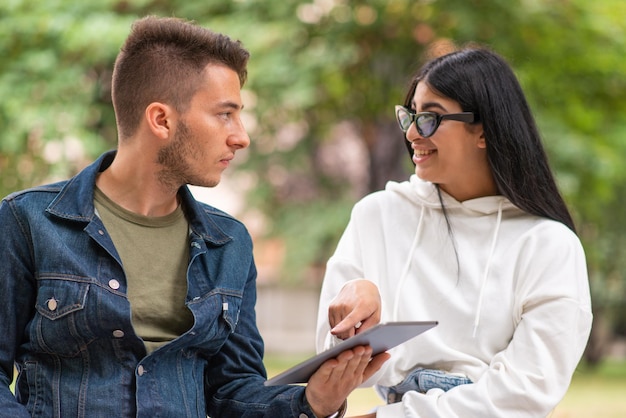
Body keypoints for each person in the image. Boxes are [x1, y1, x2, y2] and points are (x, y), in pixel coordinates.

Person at [0, 16, 389, 418]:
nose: (241, 136)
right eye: (225, 114)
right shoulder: (27, 222)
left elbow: (233, 392)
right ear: (162, 120)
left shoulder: (230, 242)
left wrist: (312, 402)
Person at [316, 46, 593, 417]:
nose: (413, 132)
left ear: (483, 130)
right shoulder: (377, 216)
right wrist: (356, 307)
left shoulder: (549, 246)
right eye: (410, 115)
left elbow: (524, 393)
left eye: (431, 118)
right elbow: (328, 364)